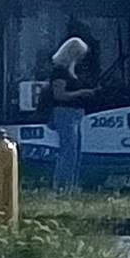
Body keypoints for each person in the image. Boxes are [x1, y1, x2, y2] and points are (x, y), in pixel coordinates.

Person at [47, 37, 97, 191]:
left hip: (75, 115)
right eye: (80, 54)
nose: (81, 58)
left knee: (74, 152)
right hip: (65, 114)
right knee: (67, 152)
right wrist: (82, 93)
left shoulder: (70, 70)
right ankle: (62, 186)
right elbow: (59, 95)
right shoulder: (59, 72)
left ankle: (71, 185)